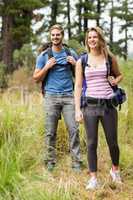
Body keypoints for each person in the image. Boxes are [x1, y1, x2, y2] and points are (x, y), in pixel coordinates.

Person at [74, 27, 123, 189]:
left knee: (113, 142)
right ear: (87, 40)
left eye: (95, 37)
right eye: (90, 38)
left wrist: (116, 81)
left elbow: (119, 74)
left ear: (100, 39)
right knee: (91, 143)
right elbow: (78, 86)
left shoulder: (109, 57)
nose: (92, 40)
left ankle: (115, 170)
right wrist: (77, 109)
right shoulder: (82, 60)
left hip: (108, 105)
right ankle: (93, 178)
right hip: (90, 106)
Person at [33, 24, 81, 171]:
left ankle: (76, 162)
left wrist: (75, 65)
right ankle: (50, 161)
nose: (55, 37)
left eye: (58, 34)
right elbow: (35, 78)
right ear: (50, 37)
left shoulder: (70, 52)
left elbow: (80, 76)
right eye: (53, 35)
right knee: (50, 131)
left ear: (62, 35)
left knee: (73, 129)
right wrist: (46, 67)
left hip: (69, 97)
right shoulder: (44, 56)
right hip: (51, 96)